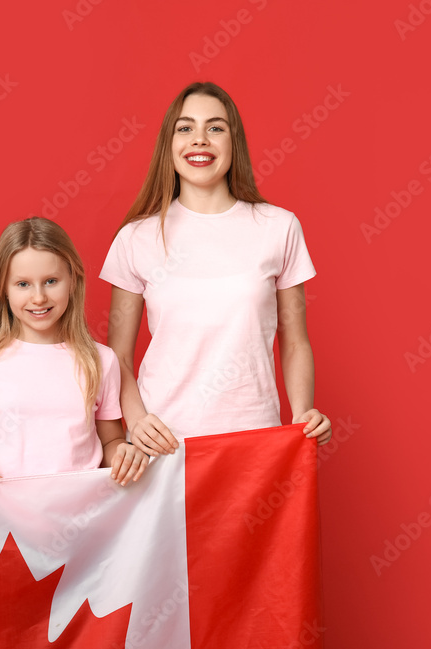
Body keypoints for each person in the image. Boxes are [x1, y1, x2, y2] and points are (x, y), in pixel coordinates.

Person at [101, 82, 332, 456]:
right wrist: (137, 420)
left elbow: (295, 341)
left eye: (215, 128)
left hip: (254, 437)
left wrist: (302, 410)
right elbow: (118, 357)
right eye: (185, 127)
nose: (200, 139)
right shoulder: (135, 238)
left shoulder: (279, 227)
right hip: (163, 444)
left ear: (233, 141)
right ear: (169, 143)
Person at [0, 217, 148, 500]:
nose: (38, 297)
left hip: (78, 516)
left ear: (72, 280)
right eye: (23, 284)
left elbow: (110, 440)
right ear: (3, 288)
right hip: (3, 517)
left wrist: (122, 451)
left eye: (51, 281)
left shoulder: (101, 361)